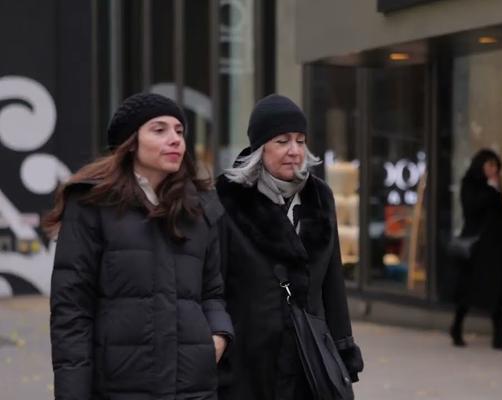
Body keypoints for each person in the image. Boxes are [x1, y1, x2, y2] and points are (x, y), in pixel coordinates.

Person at [45, 93, 234, 400]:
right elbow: (72, 310)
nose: (174, 139)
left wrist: (218, 335)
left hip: (191, 386)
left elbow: (213, 291)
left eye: (179, 131)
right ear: (131, 142)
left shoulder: (199, 208)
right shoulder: (92, 205)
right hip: (119, 387)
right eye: (159, 130)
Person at [215, 94, 364, 399]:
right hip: (248, 363)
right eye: (282, 141)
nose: (294, 151)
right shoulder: (228, 198)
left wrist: (343, 349)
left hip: (308, 358)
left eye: (300, 140)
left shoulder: (319, 197)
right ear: (260, 147)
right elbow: (213, 286)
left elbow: (333, 284)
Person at [449, 149, 502, 351]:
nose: (494, 170)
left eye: (496, 166)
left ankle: (499, 336)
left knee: (499, 289)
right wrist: (491, 189)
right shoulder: (470, 184)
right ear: (481, 166)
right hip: (477, 245)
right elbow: (471, 208)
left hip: (495, 244)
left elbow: (500, 211)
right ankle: (457, 326)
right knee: (468, 290)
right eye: (490, 165)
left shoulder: (495, 186)